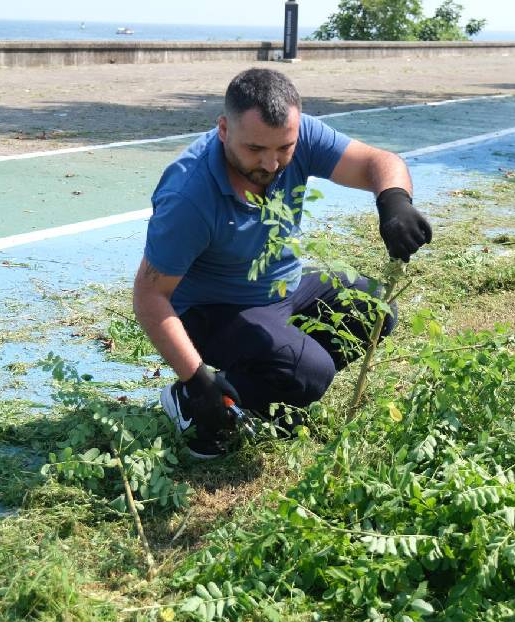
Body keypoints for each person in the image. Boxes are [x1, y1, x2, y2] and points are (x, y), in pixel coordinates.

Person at [133, 68, 432, 458]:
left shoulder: (299, 135)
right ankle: (195, 404)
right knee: (309, 371)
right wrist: (196, 379)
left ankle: (254, 390)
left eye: (284, 149)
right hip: (213, 309)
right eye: (255, 150)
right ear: (224, 129)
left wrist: (394, 200)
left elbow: (378, 161)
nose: (272, 164)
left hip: (284, 286)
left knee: (375, 310)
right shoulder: (189, 194)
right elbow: (149, 296)